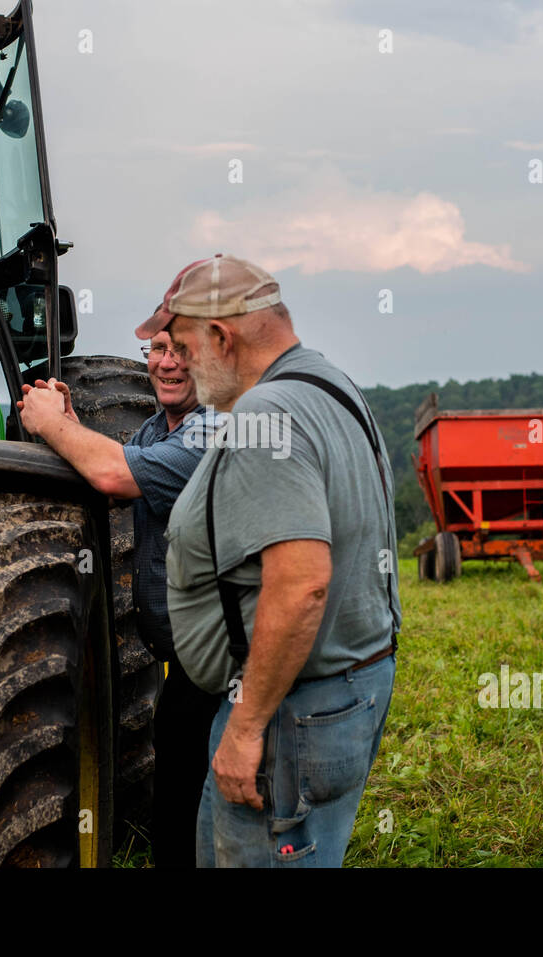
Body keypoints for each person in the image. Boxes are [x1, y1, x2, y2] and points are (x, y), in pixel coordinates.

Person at [142, 253, 401, 868]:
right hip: (349, 686)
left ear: (221, 337)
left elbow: (304, 581)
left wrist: (246, 727)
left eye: (184, 345)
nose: (179, 364)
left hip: (291, 714)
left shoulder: (265, 416)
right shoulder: (330, 384)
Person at [15, 331, 222, 868]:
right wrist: (73, 426)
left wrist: (50, 424)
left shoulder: (216, 431)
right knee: (176, 777)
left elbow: (114, 474)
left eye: (183, 349)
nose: (167, 362)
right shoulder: (160, 429)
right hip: (193, 662)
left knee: (222, 792)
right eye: (157, 348)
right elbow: (118, 466)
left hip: (233, 662)